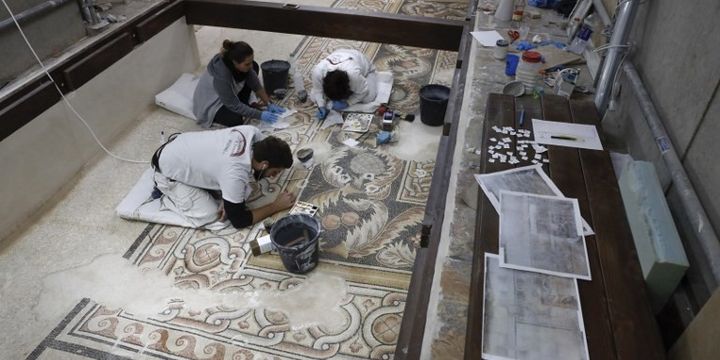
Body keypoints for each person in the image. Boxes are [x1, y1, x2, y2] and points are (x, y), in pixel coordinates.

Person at [151, 125, 296, 229]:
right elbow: (239, 220)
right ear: (264, 164)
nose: (273, 177)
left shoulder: (252, 133)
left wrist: (230, 199)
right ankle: (165, 190)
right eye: (275, 171)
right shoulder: (234, 173)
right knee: (211, 215)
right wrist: (275, 206)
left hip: (181, 145)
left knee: (242, 189)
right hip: (165, 169)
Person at [193, 40, 286, 128]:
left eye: (250, 62)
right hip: (214, 103)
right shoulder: (221, 76)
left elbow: (255, 84)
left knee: (255, 67)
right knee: (235, 120)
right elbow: (232, 104)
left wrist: (268, 103)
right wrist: (260, 115)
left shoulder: (241, 65)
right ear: (235, 62)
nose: (250, 66)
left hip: (228, 93)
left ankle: (244, 105)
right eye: (247, 64)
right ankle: (243, 106)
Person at [310, 49, 378, 119]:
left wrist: (348, 102)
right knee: (313, 97)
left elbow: (364, 91)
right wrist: (321, 106)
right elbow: (318, 91)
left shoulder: (353, 76)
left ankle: (370, 78)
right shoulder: (317, 72)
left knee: (369, 98)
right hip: (340, 53)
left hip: (366, 69)